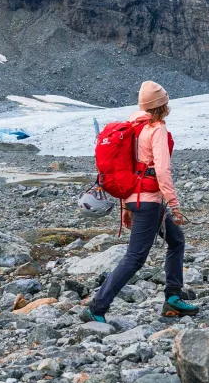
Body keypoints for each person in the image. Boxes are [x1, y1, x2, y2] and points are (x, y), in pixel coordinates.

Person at [84, 81, 202, 322]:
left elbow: (128, 167)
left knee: (176, 240)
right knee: (135, 257)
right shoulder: (156, 129)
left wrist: (127, 206)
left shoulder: (134, 126)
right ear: (162, 105)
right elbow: (162, 170)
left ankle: (173, 299)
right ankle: (96, 307)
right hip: (149, 201)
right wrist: (175, 205)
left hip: (137, 198)